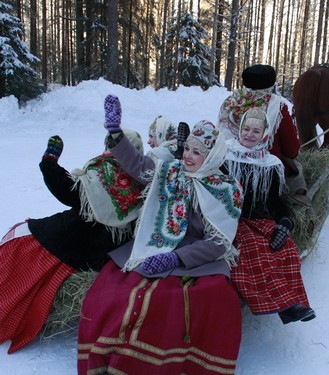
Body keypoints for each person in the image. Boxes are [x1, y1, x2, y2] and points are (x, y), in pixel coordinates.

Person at [77, 94, 244, 374]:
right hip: (156, 242)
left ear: (212, 155)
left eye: (197, 151)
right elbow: (139, 166)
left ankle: (146, 363)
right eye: (187, 148)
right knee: (116, 287)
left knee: (178, 300)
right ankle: (109, 356)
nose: (188, 156)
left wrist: (176, 259)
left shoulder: (227, 189)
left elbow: (217, 243)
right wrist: (115, 133)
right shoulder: (172, 171)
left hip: (197, 257)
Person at [0, 129, 144, 354]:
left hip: (63, 241)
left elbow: (67, 191)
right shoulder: (143, 182)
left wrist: (49, 162)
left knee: (19, 245)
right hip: (97, 260)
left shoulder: (103, 172)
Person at [224, 107, 315, 324]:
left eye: (256, 131)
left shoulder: (271, 164)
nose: (249, 134)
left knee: (286, 249)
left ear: (265, 134)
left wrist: (285, 222)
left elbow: (278, 201)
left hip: (260, 219)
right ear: (239, 129)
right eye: (246, 128)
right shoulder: (225, 155)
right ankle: (283, 303)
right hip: (231, 218)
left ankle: (292, 303)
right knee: (254, 249)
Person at [218, 64, 311, 207]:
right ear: (270, 83)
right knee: (296, 170)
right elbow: (292, 150)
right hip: (265, 172)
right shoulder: (277, 106)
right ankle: (297, 206)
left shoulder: (230, 103)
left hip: (227, 167)